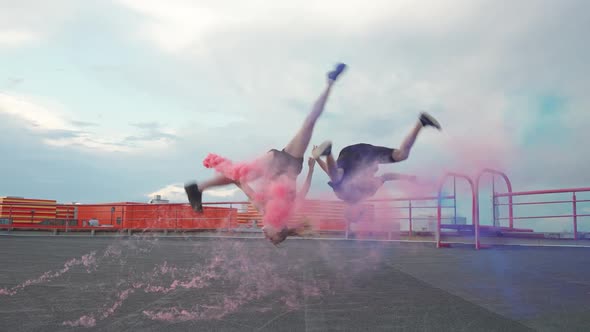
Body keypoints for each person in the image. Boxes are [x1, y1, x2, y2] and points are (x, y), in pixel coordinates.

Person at [184, 63, 347, 245]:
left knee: (240, 173)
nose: (265, 235)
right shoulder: (278, 213)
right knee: (309, 122)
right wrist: (310, 168)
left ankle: (198, 188)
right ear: (278, 231)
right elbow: (304, 191)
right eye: (270, 237)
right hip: (291, 163)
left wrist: (237, 180)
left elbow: (242, 183)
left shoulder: (265, 211)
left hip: (280, 163)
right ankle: (330, 82)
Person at [311, 112, 441, 205]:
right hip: (367, 152)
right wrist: (408, 178)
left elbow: (329, 171)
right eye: (373, 171)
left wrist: (318, 159)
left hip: (349, 156)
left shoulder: (346, 190)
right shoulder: (372, 187)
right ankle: (421, 122)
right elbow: (388, 176)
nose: (375, 170)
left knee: (339, 178)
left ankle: (328, 152)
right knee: (401, 155)